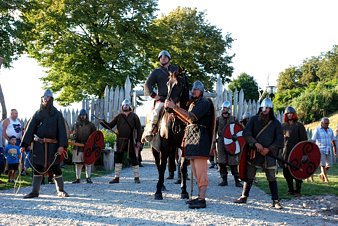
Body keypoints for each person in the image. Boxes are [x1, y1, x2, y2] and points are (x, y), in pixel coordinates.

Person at [164, 80, 214, 209]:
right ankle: (198, 196)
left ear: (201, 91)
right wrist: (174, 112)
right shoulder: (194, 104)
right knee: (196, 172)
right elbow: (188, 120)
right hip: (192, 139)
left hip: (201, 139)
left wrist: (175, 107)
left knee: (201, 171)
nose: (193, 91)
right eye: (193, 89)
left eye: (196, 89)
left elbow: (192, 117)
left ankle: (202, 199)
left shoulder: (204, 102)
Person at [234, 97, 284, 209]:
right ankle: (244, 196)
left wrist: (269, 149)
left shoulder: (276, 124)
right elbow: (246, 133)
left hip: (269, 156)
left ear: (271, 109)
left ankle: (275, 201)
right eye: (263, 107)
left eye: (267, 108)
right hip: (254, 153)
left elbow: (280, 140)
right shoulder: (253, 120)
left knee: (271, 177)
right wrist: (255, 143)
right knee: (249, 176)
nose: (264, 110)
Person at [20, 89, 69, 198]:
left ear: (51, 99)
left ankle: (60, 190)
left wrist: (61, 146)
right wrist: (24, 144)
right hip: (39, 146)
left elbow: (61, 130)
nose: (46, 99)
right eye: (44, 97)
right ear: (42, 99)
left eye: (48, 97)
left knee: (56, 168)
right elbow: (30, 129)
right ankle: (35, 191)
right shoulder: (37, 113)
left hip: (53, 146)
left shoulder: (57, 114)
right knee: (37, 167)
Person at [103, 99, 142, 184]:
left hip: (130, 140)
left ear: (129, 106)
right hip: (120, 140)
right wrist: (102, 122)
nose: (126, 106)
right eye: (124, 105)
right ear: (122, 106)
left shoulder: (134, 116)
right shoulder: (119, 116)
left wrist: (138, 140)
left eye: (127, 105)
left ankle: (136, 177)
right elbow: (109, 125)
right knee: (118, 158)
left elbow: (139, 128)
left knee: (133, 158)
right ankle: (116, 178)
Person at [143, 50, 179, 142]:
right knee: (155, 113)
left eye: (165, 57)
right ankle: (150, 132)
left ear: (169, 59)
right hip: (162, 100)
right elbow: (147, 84)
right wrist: (154, 95)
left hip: (175, 100)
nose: (163, 59)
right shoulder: (156, 72)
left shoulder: (176, 70)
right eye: (161, 58)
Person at [215, 100, 242, 187]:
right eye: (223, 108)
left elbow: (239, 130)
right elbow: (214, 131)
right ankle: (224, 179)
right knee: (221, 161)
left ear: (229, 109)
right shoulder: (218, 119)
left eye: (225, 108)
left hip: (232, 142)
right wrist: (213, 141)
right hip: (221, 142)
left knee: (233, 162)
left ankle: (237, 180)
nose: (223, 109)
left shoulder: (233, 119)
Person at [282, 106, 308, 197]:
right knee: (286, 172)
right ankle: (290, 189)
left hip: (297, 151)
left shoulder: (299, 125)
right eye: (287, 113)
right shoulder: (283, 126)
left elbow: (304, 141)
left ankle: (298, 190)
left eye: (291, 113)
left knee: (297, 171)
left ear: (294, 114)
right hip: (286, 152)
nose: (289, 115)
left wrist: (304, 154)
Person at [71, 109, 97, 184]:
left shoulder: (91, 125)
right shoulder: (76, 124)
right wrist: (73, 135)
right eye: (81, 115)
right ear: (80, 115)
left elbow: (95, 136)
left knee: (88, 163)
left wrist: (93, 144)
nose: (83, 117)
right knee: (78, 163)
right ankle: (78, 178)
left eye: (84, 115)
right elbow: (72, 134)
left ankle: (88, 178)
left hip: (87, 146)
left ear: (86, 115)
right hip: (78, 146)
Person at [311, 117, 336, 183]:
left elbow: (333, 140)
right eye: (326, 123)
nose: (327, 125)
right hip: (320, 149)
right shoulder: (317, 130)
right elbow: (313, 140)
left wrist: (334, 149)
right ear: (321, 123)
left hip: (328, 149)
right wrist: (312, 149)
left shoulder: (330, 130)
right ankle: (326, 179)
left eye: (328, 123)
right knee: (323, 164)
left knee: (329, 165)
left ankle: (321, 174)